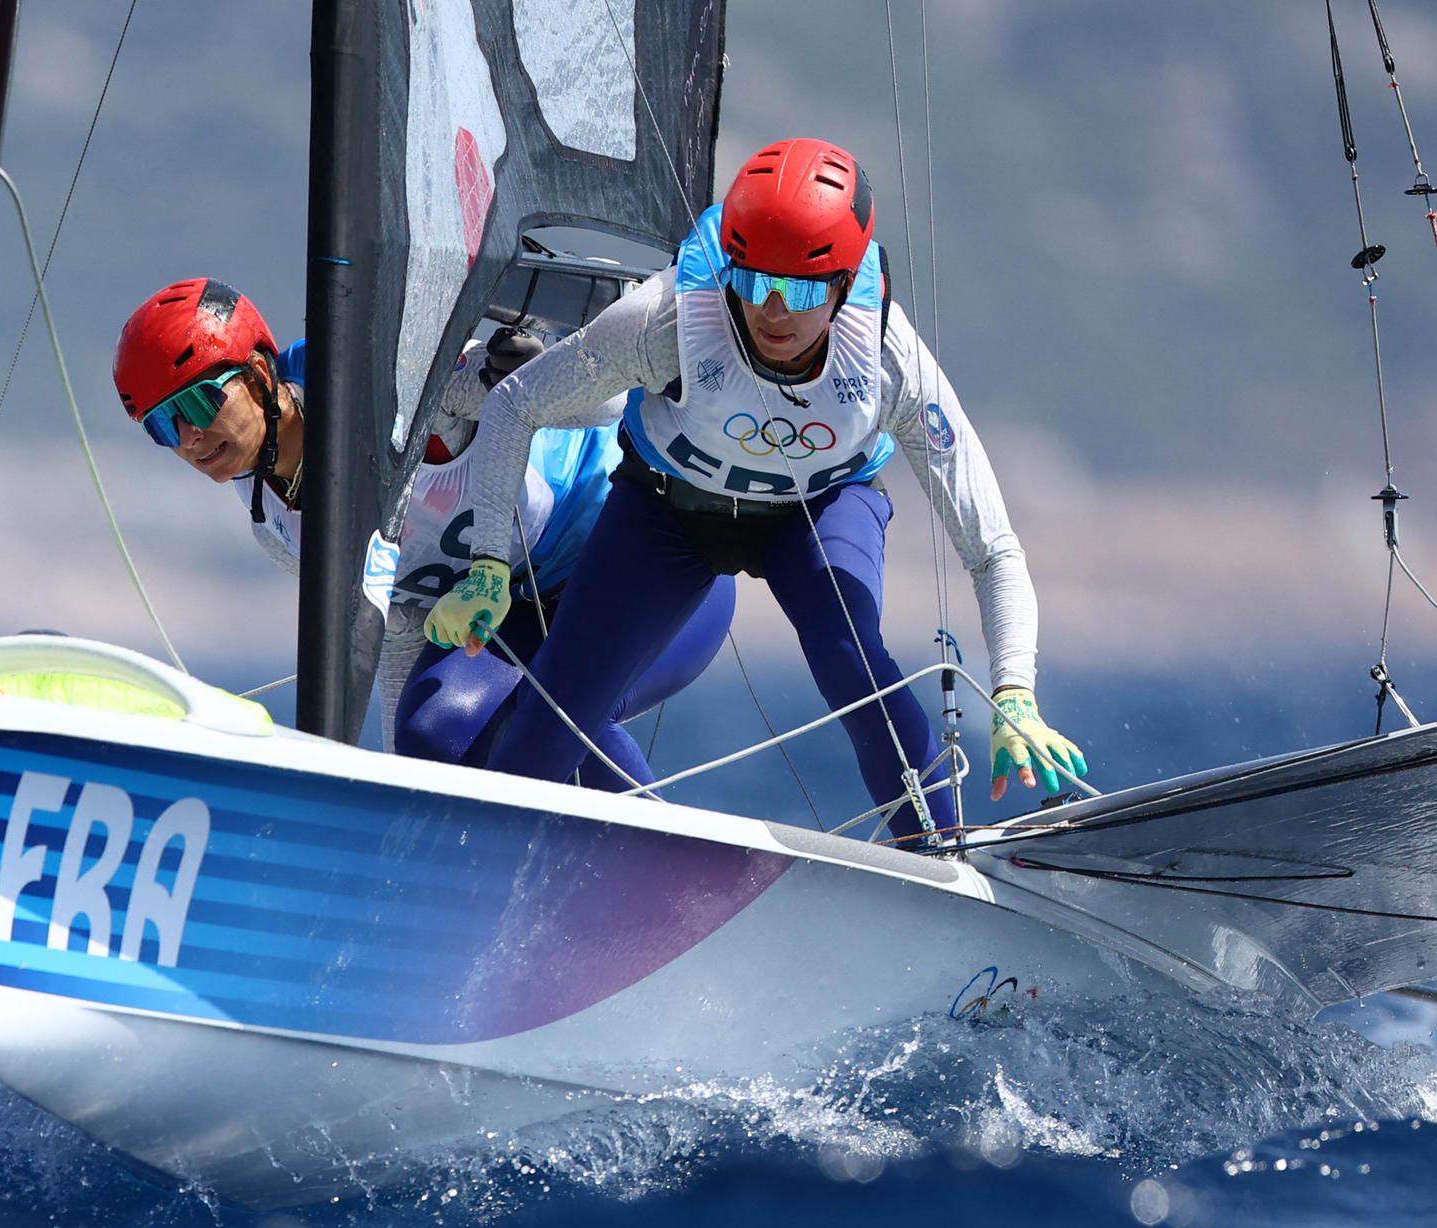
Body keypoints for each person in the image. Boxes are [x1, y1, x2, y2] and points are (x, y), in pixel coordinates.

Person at [445, 139, 1086, 841]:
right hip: (668, 513)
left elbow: (992, 549)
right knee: (542, 740)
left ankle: (940, 854)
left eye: (803, 291)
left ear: (844, 287)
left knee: (851, 659)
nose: (773, 309)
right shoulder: (664, 321)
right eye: (753, 281)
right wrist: (485, 565)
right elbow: (513, 403)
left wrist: (1015, 691)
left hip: (817, 514)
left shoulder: (888, 357)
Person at [111, 278, 731, 775]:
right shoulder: (275, 527)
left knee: (551, 714)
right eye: (164, 427)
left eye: (198, 403)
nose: (190, 439)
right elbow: (405, 617)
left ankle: (659, 872)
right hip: (513, 612)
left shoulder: (396, 392)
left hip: (649, 568)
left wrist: (518, 368)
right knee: (433, 737)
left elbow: (608, 403)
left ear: (258, 374)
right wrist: (401, 773)